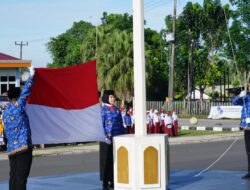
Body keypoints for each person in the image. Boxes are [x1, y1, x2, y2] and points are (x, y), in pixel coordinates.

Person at [2, 76, 34, 190]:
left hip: (12, 150)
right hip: (23, 148)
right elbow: (27, 90)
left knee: (14, 177)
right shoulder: (18, 107)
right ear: (17, 96)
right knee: (21, 178)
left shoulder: (5, 113)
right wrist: (32, 75)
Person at [100, 90, 125, 190]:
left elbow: (121, 124)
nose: (113, 99)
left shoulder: (117, 110)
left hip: (118, 138)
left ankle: (114, 181)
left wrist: (124, 135)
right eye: (111, 97)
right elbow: (100, 125)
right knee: (107, 161)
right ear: (106, 98)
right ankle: (105, 182)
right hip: (107, 139)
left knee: (117, 160)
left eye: (113, 97)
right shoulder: (103, 110)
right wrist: (104, 137)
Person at [232, 83, 250, 179]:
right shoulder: (246, 97)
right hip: (247, 127)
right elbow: (234, 102)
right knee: (249, 151)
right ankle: (249, 171)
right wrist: (238, 95)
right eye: (249, 86)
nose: (249, 87)